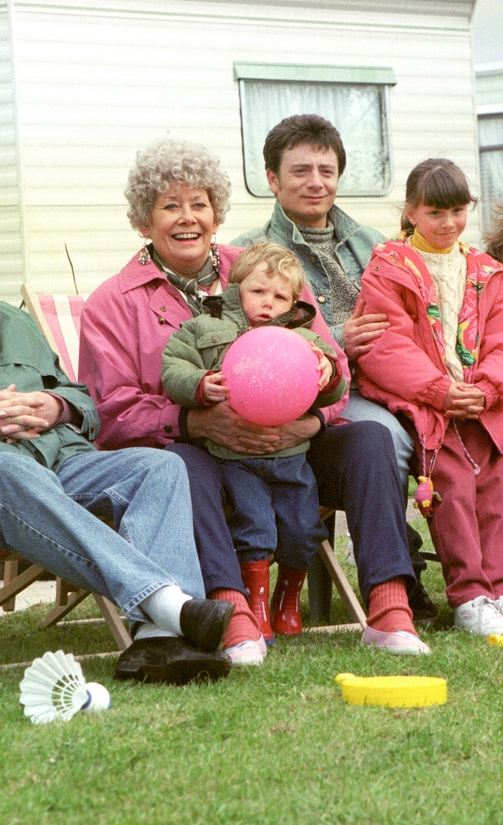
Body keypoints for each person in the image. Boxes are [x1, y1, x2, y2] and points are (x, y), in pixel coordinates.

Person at [0, 184, 236, 685]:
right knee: (4, 468)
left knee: (159, 465)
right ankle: (169, 604)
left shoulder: (9, 320)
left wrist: (56, 406)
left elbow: (85, 401)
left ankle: (157, 643)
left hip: (54, 469)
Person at [79, 137, 431, 657]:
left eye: (198, 203)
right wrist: (196, 422)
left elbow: (332, 363)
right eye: (169, 206)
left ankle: (389, 605)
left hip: (291, 446)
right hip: (200, 452)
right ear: (142, 221)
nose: (187, 217)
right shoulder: (113, 302)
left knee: (371, 441)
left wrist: (311, 421)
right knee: (180, 466)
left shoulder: (267, 270)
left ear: (216, 213)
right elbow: (107, 411)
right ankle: (232, 609)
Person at [232, 113, 437, 622]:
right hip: (326, 395)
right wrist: (338, 342)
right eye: (300, 171)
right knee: (383, 437)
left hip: (400, 378)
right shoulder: (252, 251)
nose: (316, 182)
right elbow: (250, 347)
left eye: (326, 170)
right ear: (272, 179)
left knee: (464, 433)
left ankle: (478, 582)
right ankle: (400, 576)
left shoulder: (373, 242)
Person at [161, 242, 347, 641]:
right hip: (236, 458)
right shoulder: (205, 326)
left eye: (280, 296)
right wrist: (197, 384)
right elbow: (173, 365)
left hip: (292, 457)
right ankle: (257, 604)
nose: (267, 303)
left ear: (293, 301)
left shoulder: (301, 338)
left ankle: (288, 599)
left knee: (303, 528)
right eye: (258, 291)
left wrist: (326, 372)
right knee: (255, 526)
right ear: (236, 286)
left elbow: (334, 388)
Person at [356, 158, 503, 636]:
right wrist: (440, 390)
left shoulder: (487, 271)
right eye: (435, 212)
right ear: (411, 211)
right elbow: (384, 344)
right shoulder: (389, 269)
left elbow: (500, 338)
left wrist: (486, 388)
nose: (448, 223)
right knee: (454, 489)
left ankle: (498, 589)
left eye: (458, 211)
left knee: (495, 489)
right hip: (430, 408)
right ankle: (470, 594)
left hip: (482, 405)